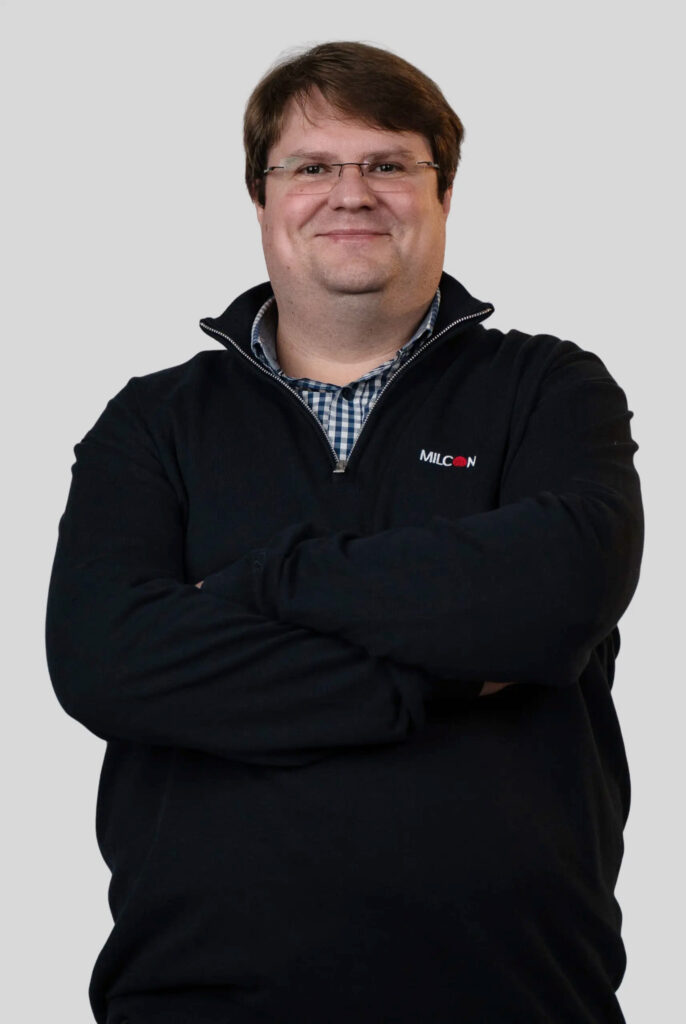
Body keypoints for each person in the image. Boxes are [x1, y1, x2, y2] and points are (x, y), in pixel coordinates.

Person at [45, 40, 644, 1024]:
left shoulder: (547, 389)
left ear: (442, 191)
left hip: (518, 996)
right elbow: (103, 658)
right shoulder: (154, 423)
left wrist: (259, 586)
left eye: (388, 163)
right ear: (262, 195)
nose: (350, 193)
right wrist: (436, 677)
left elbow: (558, 589)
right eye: (312, 166)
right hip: (197, 1000)